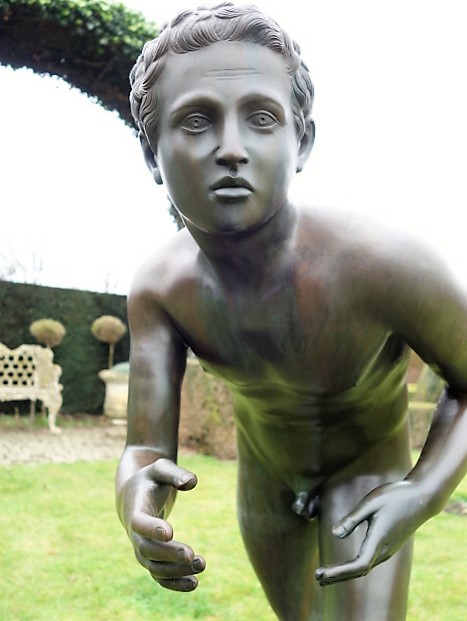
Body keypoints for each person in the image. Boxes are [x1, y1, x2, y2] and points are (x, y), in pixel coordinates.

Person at [115, 4, 467, 619]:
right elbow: (146, 447)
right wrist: (135, 500)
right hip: (267, 491)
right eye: (196, 121)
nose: (231, 149)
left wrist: (423, 490)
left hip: (367, 477)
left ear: (300, 141)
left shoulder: (386, 264)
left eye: (260, 118)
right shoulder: (160, 290)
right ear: (152, 155)